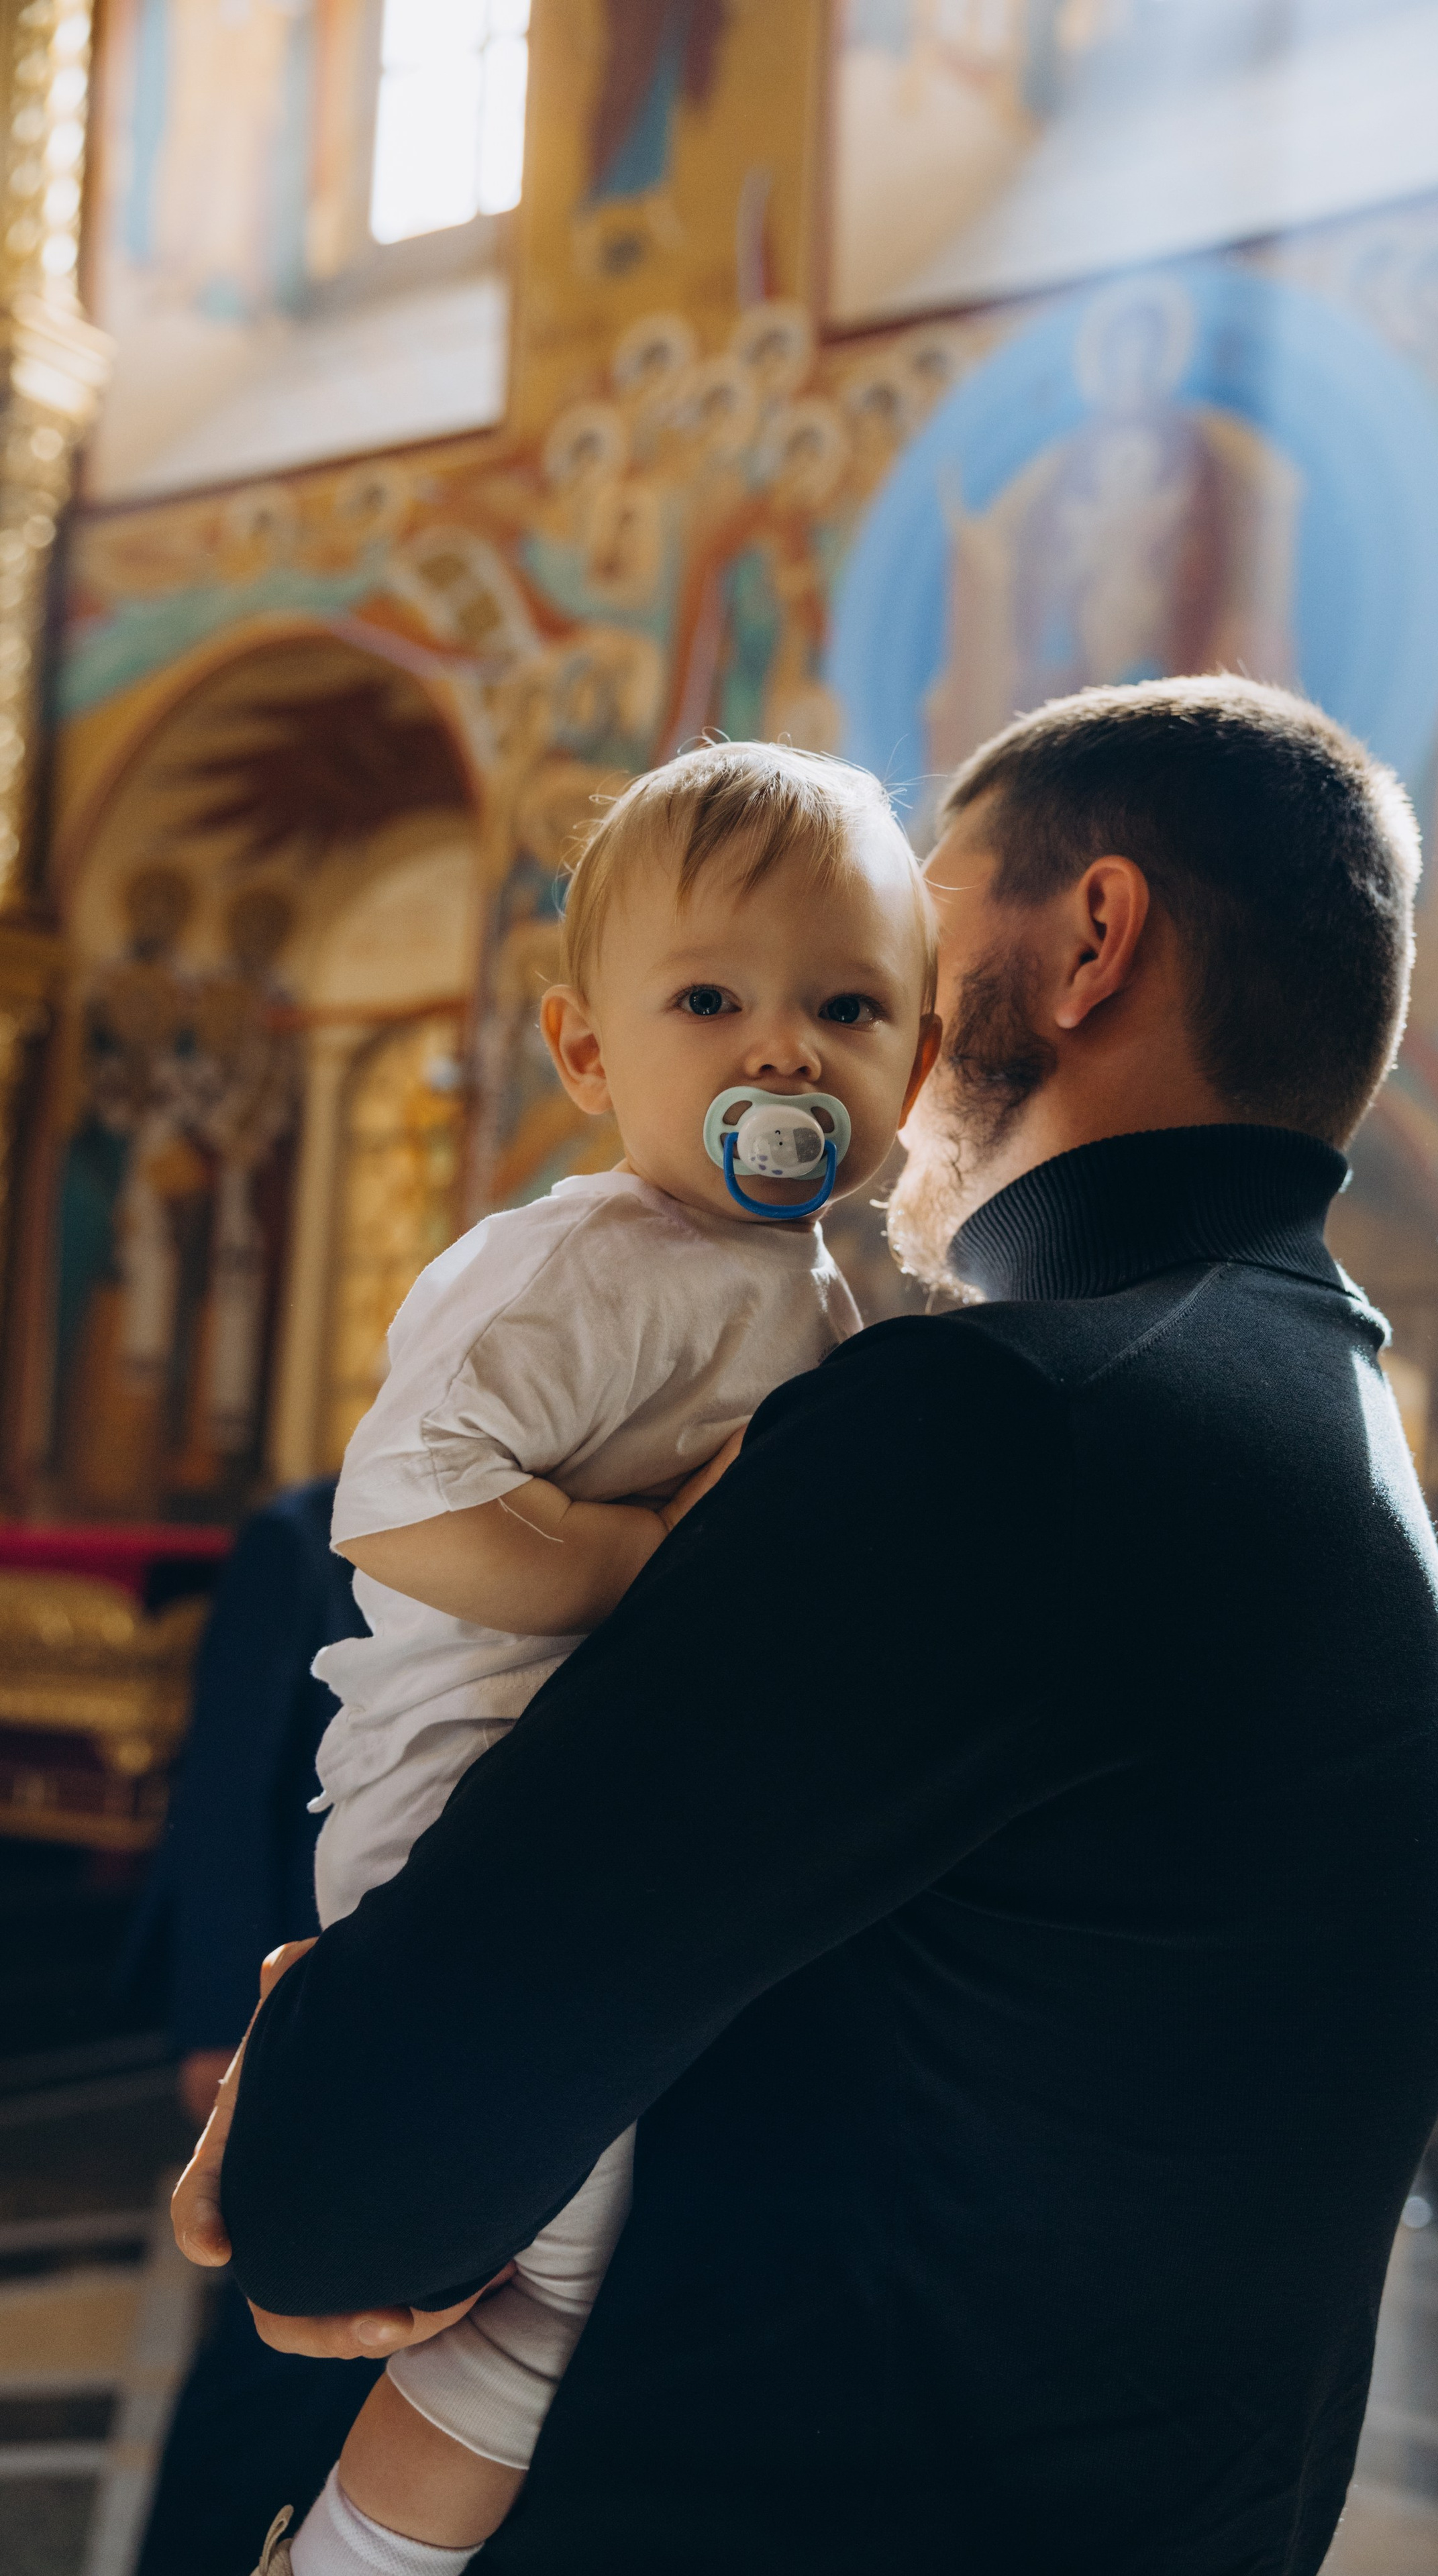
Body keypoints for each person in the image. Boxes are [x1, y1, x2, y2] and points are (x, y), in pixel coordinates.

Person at [181, 678, 1438, 2576]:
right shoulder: (1299, 1398)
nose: (854, 989)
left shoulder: (1014, 1425)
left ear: (1091, 940)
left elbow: (337, 2195)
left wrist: (327, 2069)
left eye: (909, 923)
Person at [247, 740, 940, 2573]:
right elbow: (401, 1509)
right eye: (710, 999)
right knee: (550, 2273)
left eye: (848, 1007)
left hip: (616, 1821)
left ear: (917, 1071)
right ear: (585, 1054)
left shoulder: (816, 1294)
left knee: (612, 2254)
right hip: (460, 1802)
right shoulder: (576, 1270)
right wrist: (655, 1563)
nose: (784, 1051)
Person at [123, 1481, 382, 2576]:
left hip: (401, 2011)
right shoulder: (298, 1535)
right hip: (288, 2010)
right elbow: (227, 1792)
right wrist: (215, 2026)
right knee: (265, 2356)